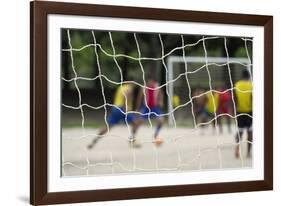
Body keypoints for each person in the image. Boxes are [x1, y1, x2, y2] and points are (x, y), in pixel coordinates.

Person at [88, 83, 141, 149]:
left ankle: (95, 140)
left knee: (107, 126)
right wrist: (125, 108)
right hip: (122, 109)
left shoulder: (120, 87)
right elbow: (126, 95)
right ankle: (132, 139)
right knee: (136, 123)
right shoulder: (130, 88)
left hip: (115, 108)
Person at [136, 77, 164, 146]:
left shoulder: (157, 87)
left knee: (161, 120)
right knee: (138, 122)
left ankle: (156, 135)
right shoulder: (143, 88)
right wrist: (137, 108)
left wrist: (160, 101)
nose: (150, 83)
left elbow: (161, 94)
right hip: (146, 108)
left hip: (154, 108)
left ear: (153, 81)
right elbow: (139, 98)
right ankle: (133, 136)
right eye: (148, 81)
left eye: (151, 81)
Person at [234, 70, 253, 158]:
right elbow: (252, 98)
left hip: (239, 111)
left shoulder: (237, 85)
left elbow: (235, 99)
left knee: (240, 131)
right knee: (250, 132)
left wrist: (234, 110)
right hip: (250, 111)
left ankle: (237, 149)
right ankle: (248, 153)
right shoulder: (251, 85)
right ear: (249, 76)